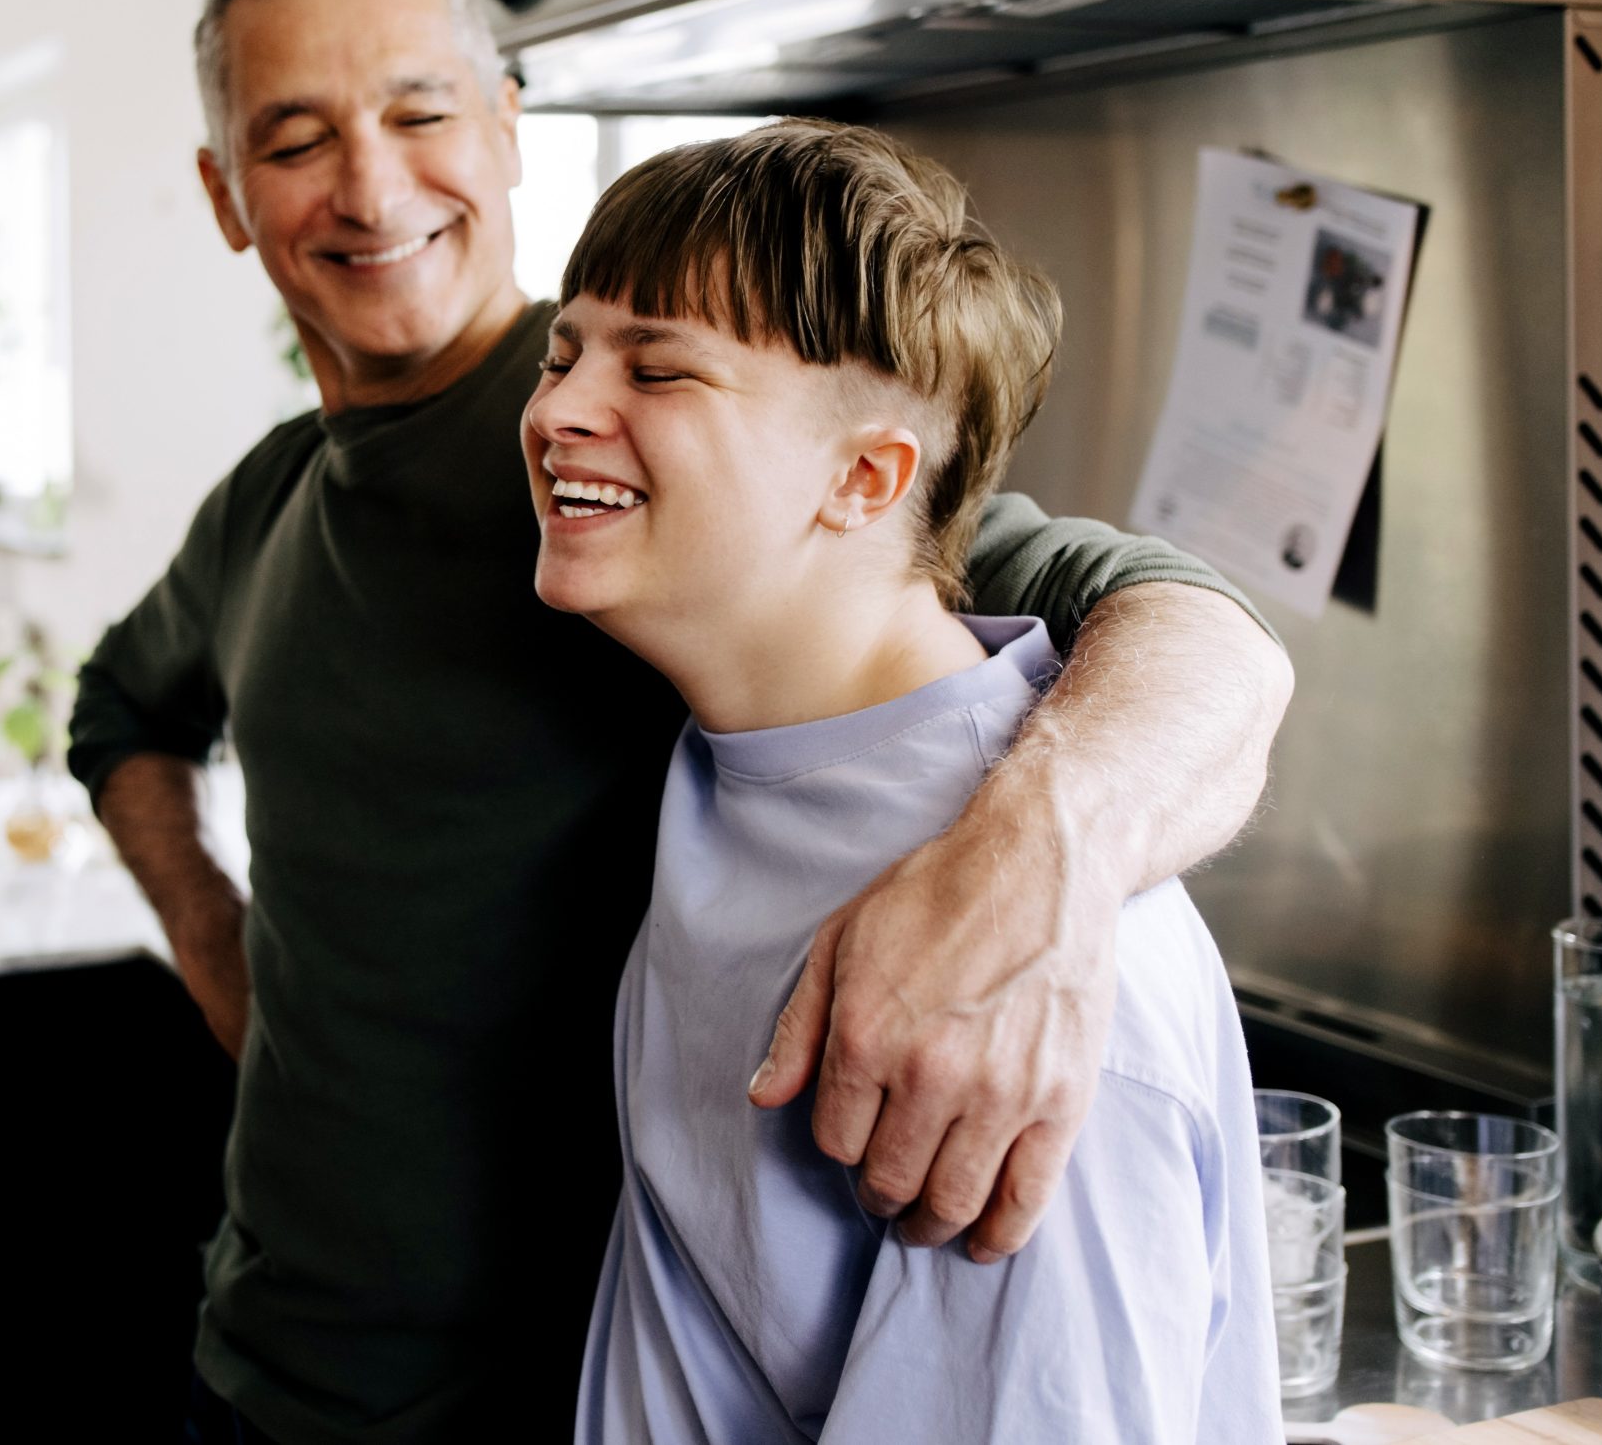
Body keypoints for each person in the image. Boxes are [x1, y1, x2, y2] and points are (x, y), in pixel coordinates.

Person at [69, 0, 1292, 1443]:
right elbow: (124, 709)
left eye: (422, 110)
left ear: (509, 128)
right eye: (297, 136)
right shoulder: (276, 499)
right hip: (262, 1368)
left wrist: (1041, 857)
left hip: (543, 1399)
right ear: (228, 194)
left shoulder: (685, 469)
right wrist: (226, 953)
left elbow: (1191, 625)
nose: (371, 183)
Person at [534, 121, 1278, 1442]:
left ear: (867, 476)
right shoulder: (747, 754)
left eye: (659, 367)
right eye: (564, 351)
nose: (556, 412)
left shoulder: (1024, 993)